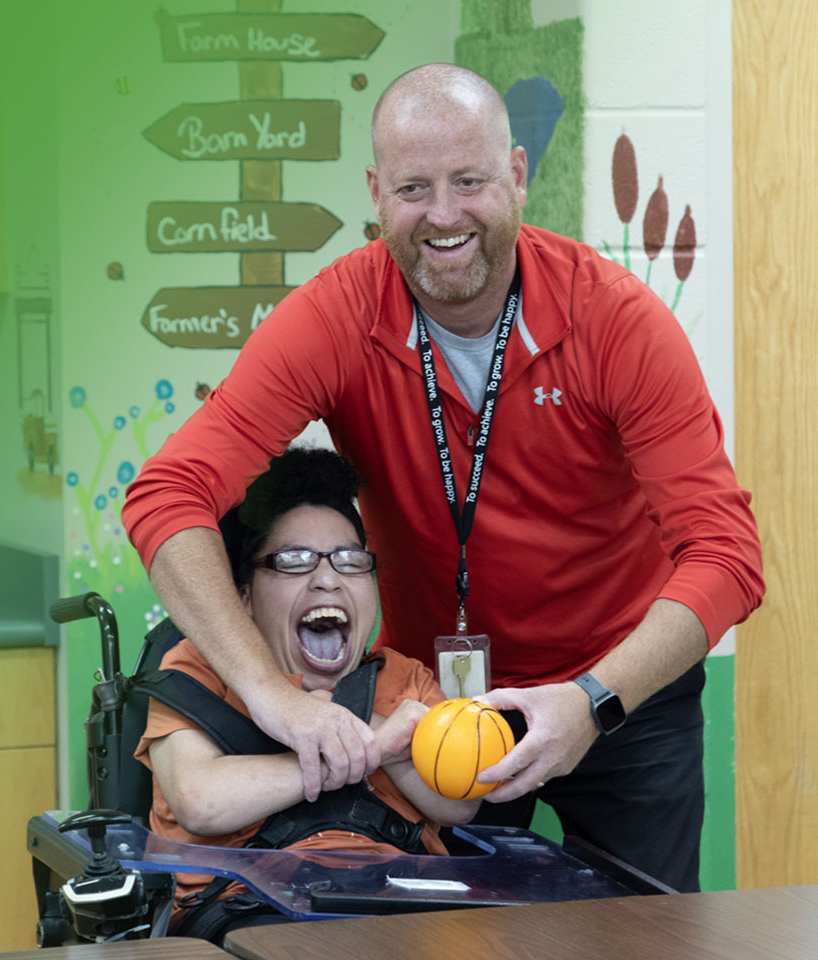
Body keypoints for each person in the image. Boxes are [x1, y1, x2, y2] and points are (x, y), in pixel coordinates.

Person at [123, 63, 764, 891]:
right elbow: (166, 495)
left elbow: (726, 553)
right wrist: (271, 697)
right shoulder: (334, 317)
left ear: (519, 176)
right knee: (455, 939)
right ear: (376, 194)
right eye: (414, 188)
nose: (444, 214)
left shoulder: (619, 322)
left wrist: (595, 699)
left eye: (470, 181)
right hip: (435, 711)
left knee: (639, 938)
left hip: (618, 697)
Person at [134, 447, 478, 939]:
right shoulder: (196, 668)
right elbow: (199, 801)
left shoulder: (404, 680)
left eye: (349, 560)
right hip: (247, 913)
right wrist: (375, 746)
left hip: (404, 907)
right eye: (293, 561)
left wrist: (393, 752)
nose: (327, 580)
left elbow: (459, 805)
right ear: (243, 596)